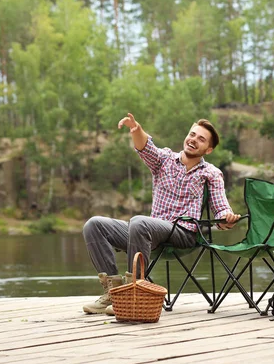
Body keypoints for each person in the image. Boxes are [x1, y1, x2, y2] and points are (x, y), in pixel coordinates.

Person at [82, 113, 241, 315]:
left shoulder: (211, 173)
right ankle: (114, 294)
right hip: (151, 231)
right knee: (94, 225)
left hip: (183, 234)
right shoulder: (164, 159)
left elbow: (221, 209)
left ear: (208, 149)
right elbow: (145, 148)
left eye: (201, 139)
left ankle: (134, 294)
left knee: (139, 222)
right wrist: (135, 128)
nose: (193, 140)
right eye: (192, 134)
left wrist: (227, 218)